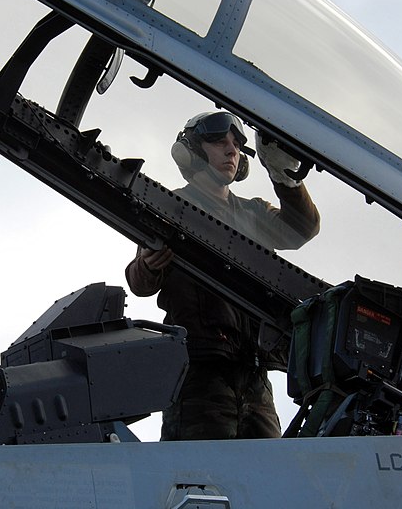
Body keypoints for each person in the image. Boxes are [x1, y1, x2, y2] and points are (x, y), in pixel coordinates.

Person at [125, 111, 320, 440]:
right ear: (192, 151)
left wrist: (286, 177)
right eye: (219, 141)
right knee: (201, 475)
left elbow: (302, 230)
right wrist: (148, 264)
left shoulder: (253, 213)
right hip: (200, 371)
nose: (232, 151)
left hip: (255, 371)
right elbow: (138, 281)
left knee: (269, 478)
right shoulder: (170, 207)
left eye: (237, 144)